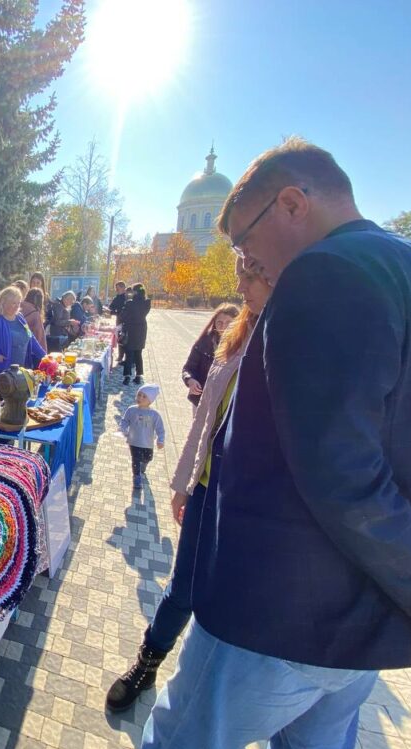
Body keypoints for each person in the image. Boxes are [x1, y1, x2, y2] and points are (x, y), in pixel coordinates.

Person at [139, 138, 411, 749]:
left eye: (245, 243)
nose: (247, 262)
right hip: (367, 631)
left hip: (275, 615)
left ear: (292, 203)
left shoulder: (322, 272)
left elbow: (343, 473)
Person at [106, 259, 271, 713]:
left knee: (234, 597)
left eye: (250, 275)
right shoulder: (236, 339)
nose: (239, 285)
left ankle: (217, 693)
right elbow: (203, 421)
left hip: (254, 502)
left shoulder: (295, 342)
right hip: (206, 484)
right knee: (183, 586)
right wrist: (182, 484)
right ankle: (147, 662)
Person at [0, 286, 46, 393]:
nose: (17, 306)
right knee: (5, 405)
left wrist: (44, 357)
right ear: (3, 302)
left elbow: (30, 338)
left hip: (21, 372)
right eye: (13, 303)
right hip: (1, 373)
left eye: (18, 302)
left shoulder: (20, 317)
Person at [181, 303, 239, 406]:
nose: (223, 326)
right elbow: (188, 368)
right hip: (202, 399)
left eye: (229, 323)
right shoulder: (204, 342)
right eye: (219, 322)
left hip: (229, 403)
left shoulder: (243, 345)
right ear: (214, 323)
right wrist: (190, 380)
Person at [117, 383, 164, 489]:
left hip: (148, 443)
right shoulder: (131, 410)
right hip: (134, 441)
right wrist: (123, 428)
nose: (140, 398)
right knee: (136, 459)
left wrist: (161, 440)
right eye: (139, 395)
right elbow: (125, 420)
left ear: (150, 400)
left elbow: (160, 429)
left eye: (144, 396)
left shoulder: (154, 415)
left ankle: (144, 465)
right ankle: (137, 477)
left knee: (148, 457)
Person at [120, 283, 150, 386]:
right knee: (138, 353)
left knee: (129, 353)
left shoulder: (130, 303)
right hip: (142, 329)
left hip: (131, 329)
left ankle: (127, 376)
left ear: (135, 292)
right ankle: (138, 376)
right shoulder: (147, 303)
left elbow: (123, 316)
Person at [107, 280, 129, 365]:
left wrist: (115, 312)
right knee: (120, 338)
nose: (117, 290)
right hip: (119, 320)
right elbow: (111, 307)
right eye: (116, 289)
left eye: (118, 288)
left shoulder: (127, 297)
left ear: (123, 288)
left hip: (127, 322)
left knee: (127, 339)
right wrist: (112, 311)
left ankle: (127, 358)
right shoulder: (117, 297)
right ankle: (120, 356)